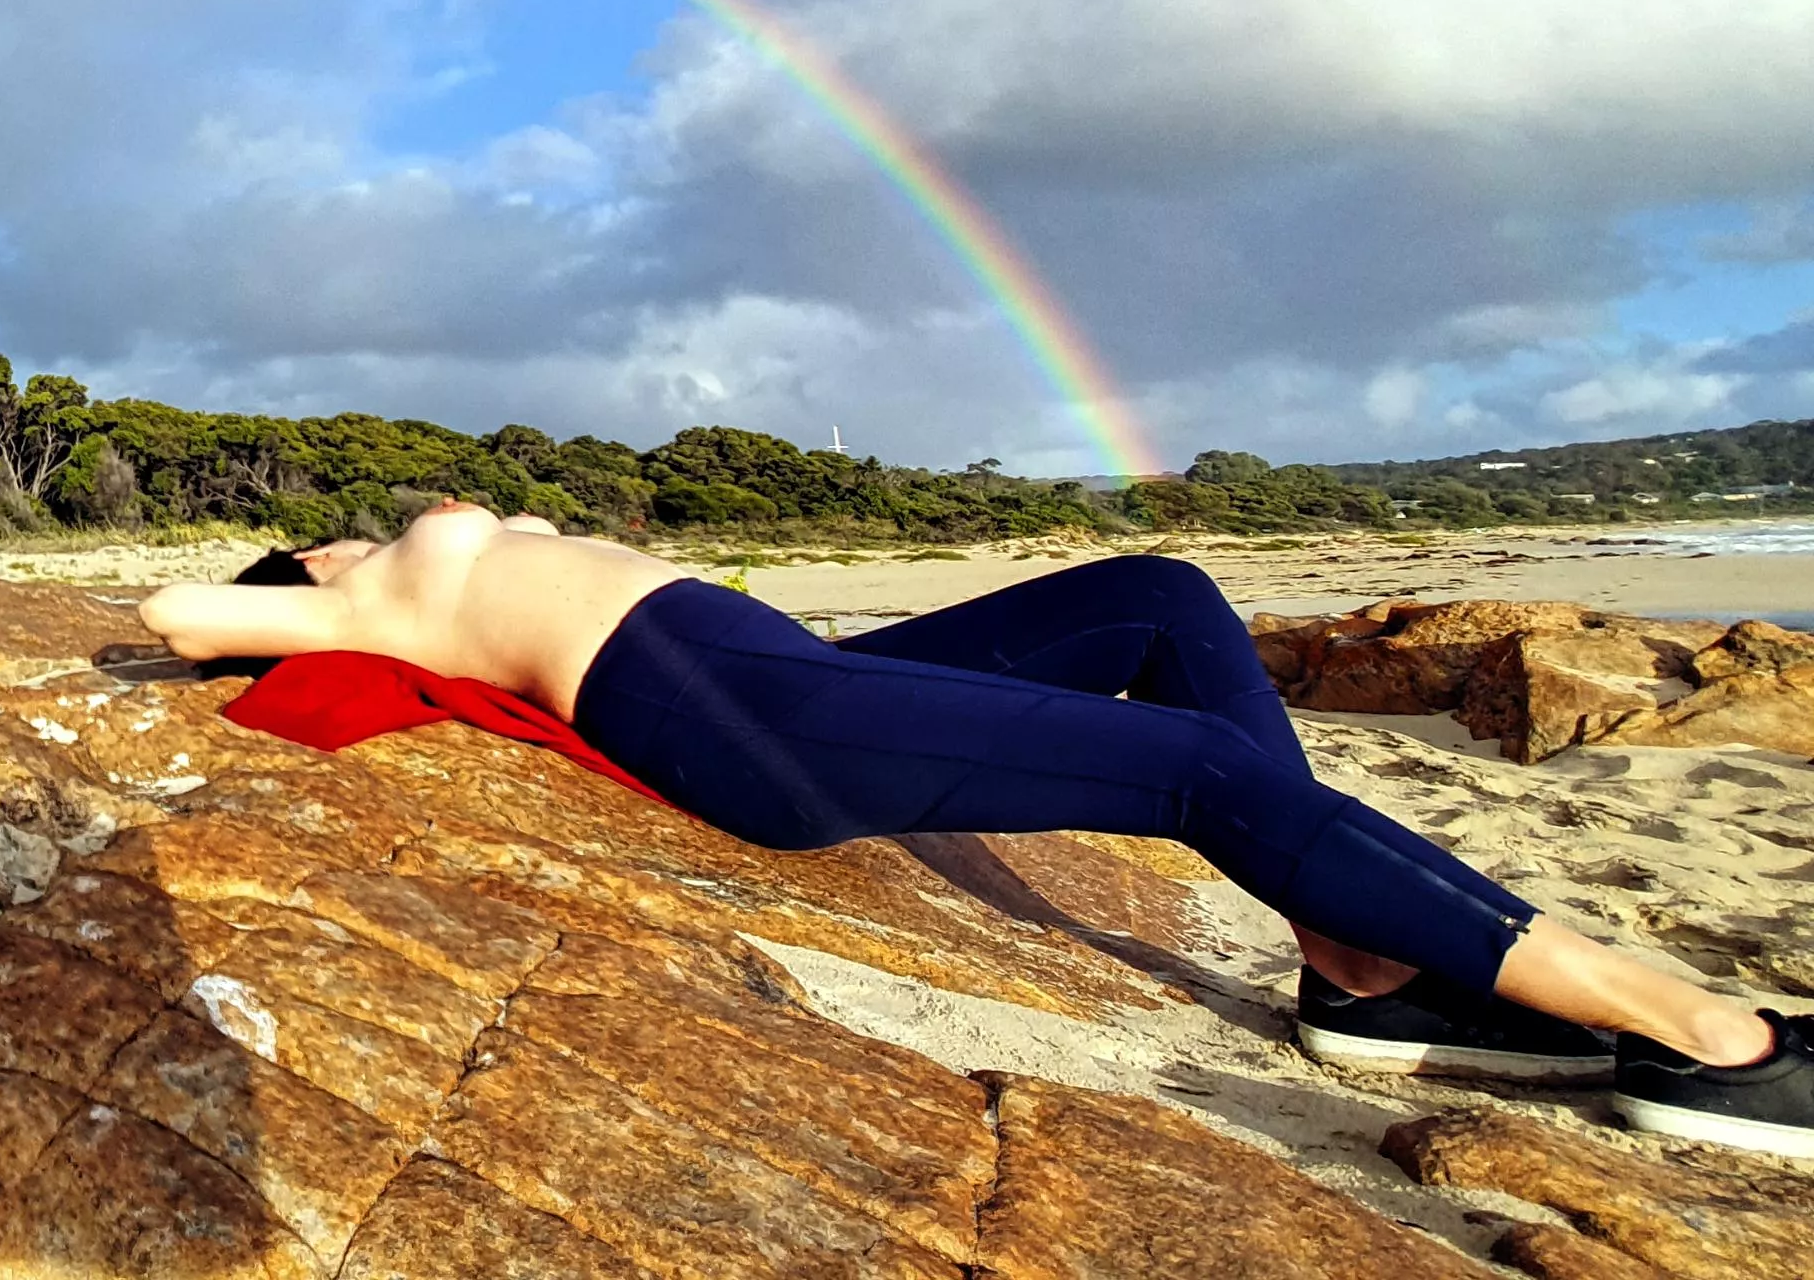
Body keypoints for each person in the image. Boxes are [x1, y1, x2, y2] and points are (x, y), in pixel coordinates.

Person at [140, 502, 1813, 1159]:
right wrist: (297, 596)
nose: (341, 532)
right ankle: (1694, 1041)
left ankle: (1360, 960)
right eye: (315, 552)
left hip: (787, 664)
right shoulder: (368, 609)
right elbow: (169, 609)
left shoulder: (407, 569)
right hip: (752, 728)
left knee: (1159, 594)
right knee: (1200, 774)